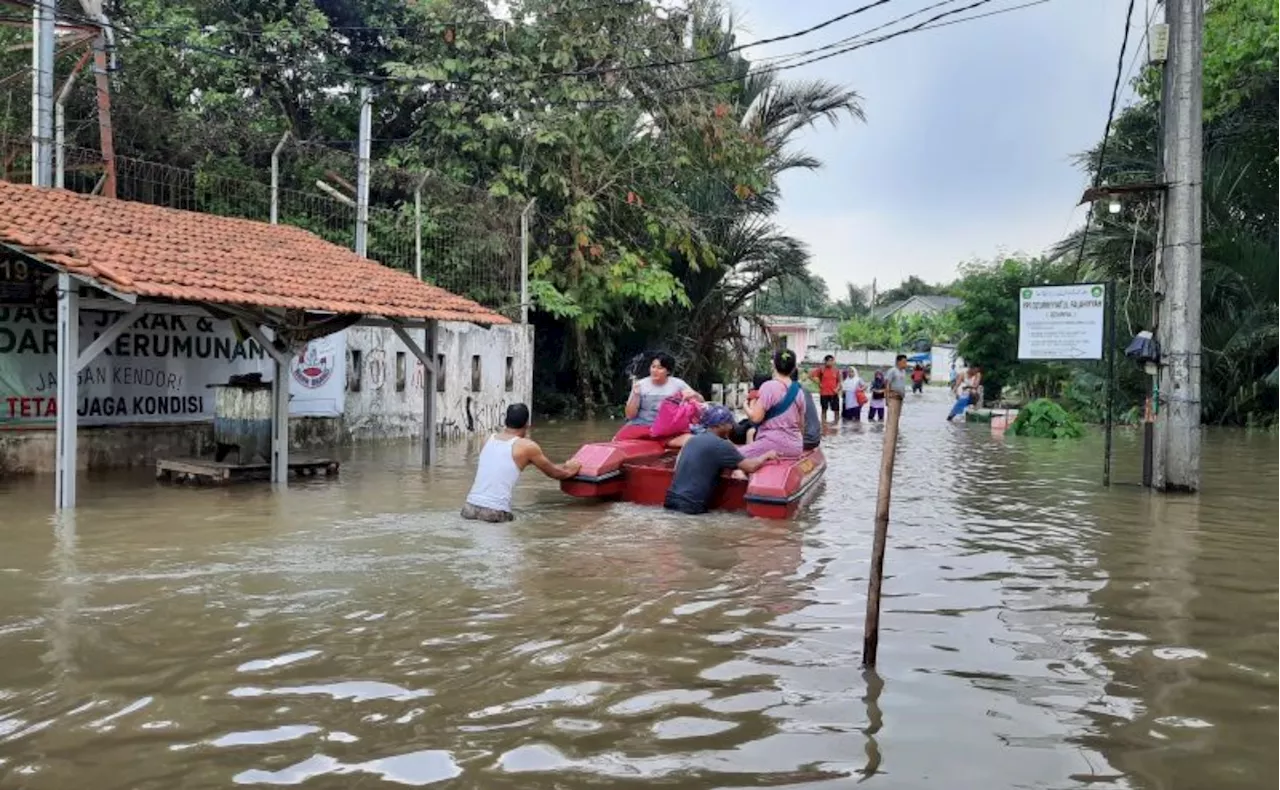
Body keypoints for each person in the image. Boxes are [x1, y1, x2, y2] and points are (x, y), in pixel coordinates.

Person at [462, 404, 582, 522]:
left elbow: (502, 465)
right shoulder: (527, 447)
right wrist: (572, 469)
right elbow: (555, 473)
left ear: (505, 421)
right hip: (494, 512)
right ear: (527, 425)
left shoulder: (486, 439)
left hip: (469, 509)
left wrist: (563, 466)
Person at [663, 406, 780, 515]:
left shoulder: (692, 440)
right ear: (720, 425)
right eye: (729, 423)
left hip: (670, 500)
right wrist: (766, 455)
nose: (731, 427)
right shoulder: (721, 445)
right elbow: (750, 466)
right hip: (691, 506)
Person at [615, 352, 703, 441]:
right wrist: (635, 395)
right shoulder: (640, 385)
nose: (655, 370)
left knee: (692, 440)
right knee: (616, 440)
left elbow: (701, 404)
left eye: (660, 368)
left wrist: (695, 395)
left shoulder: (678, 384)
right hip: (642, 425)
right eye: (653, 367)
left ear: (668, 371)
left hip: (668, 428)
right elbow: (630, 415)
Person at [741, 349, 806, 458]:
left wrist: (745, 405)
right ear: (794, 368)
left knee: (732, 456)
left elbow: (756, 418)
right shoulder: (799, 391)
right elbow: (801, 425)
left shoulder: (768, 386)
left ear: (774, 365)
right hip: (795, 447)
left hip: (770, 444)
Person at [809, 354, 841, 423]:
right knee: (824, 410)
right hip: (824, 393)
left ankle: (836, 424)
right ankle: (824, 424)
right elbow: (810, 375)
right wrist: (818, 383)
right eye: (829, 361)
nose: (831, 362)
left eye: (832, 361)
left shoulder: (836, 370)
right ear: (825, 361)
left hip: (834, 393)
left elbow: (839, 381)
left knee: (836, 410)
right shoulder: (821, 369)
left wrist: (837, 388)